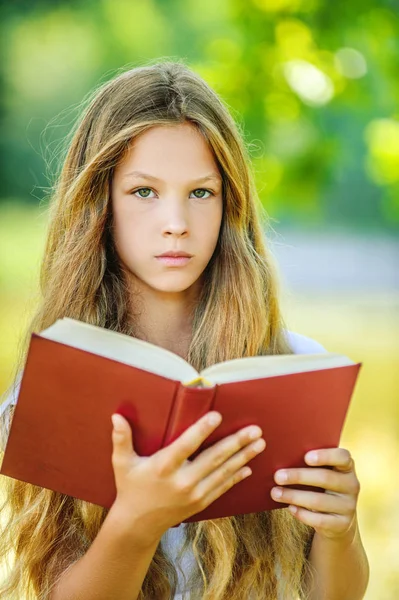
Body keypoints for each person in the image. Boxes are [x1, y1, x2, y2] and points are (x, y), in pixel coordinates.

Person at [0, 60, 369, 600]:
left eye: (201, 193)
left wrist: (342, 530)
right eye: (144, 192)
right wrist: (138, 520)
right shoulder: (54, 378)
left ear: (229, 205)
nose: (176, 221)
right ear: (99, 203)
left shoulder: (290, 364)